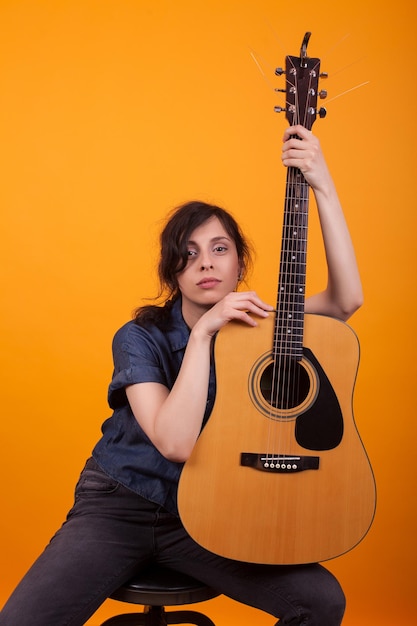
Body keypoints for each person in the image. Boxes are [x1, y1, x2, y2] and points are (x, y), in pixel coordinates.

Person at [0, 124, 363, 626]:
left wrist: (321, 181)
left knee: (320, 601)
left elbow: (345, 301)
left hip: (210, 515)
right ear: (173, 271)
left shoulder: (262, 325)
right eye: (188, 254)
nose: (205, 264)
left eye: (219, 249)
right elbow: (174, 442)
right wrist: (203, 335)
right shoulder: (138, 336)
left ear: (240, 261)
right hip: (120, 503)